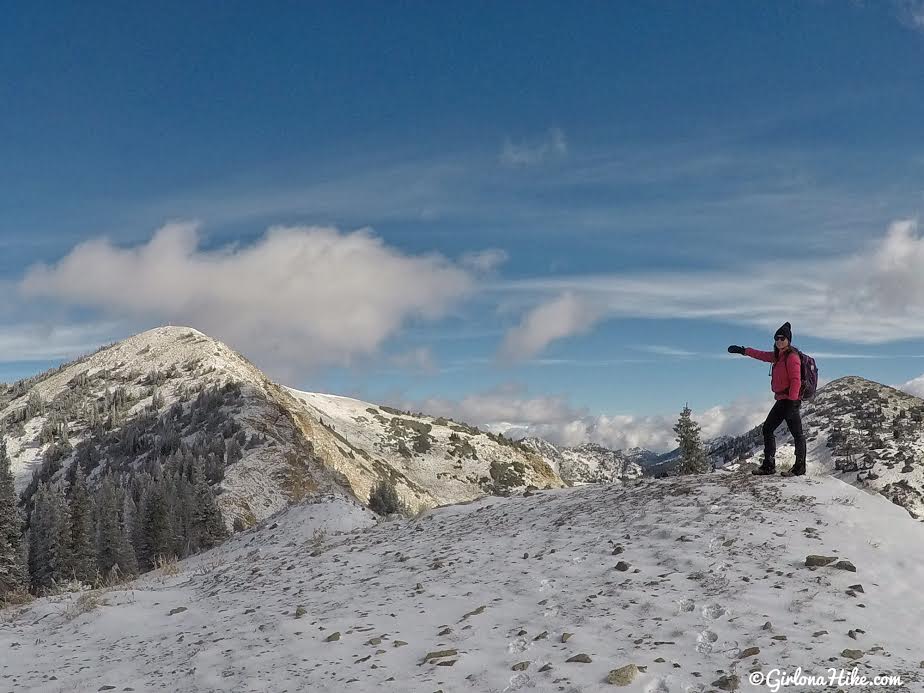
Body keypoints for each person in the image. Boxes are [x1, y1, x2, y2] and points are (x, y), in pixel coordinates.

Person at [727, 322, 806, 477]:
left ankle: (799, 468)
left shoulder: (792, 357)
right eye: (776, 338)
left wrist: (792, 402)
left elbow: (796, 380)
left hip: (790, 400)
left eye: (782, 338)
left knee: (797, 434)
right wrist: (743, 350)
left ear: (788, 340)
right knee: (768, 428)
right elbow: (760, 355)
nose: (779, 341)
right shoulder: (777, 356)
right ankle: (769, 465)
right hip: (782, 400)